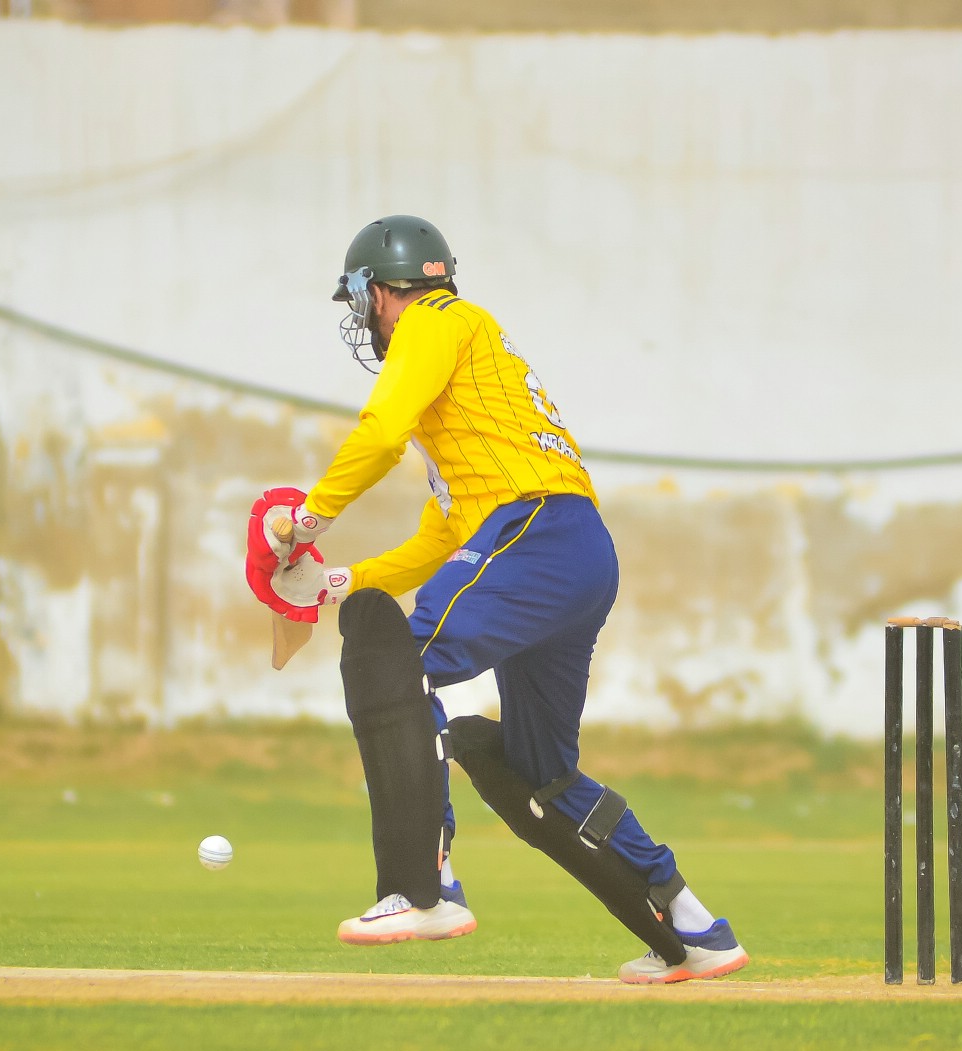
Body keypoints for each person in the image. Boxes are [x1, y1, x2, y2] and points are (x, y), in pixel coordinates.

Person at [244, 214, 748, 984]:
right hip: (574, 549)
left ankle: (425, 887)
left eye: (361, 299)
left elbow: (379, 433)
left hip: (532, 532)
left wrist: (307, 520)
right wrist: (333, 583)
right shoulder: (476, 386)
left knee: (394, 665)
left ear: (378, 291)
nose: (363, 316)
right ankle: (693, 925)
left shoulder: (433, 321)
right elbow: (440, 540)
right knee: (541, 773)